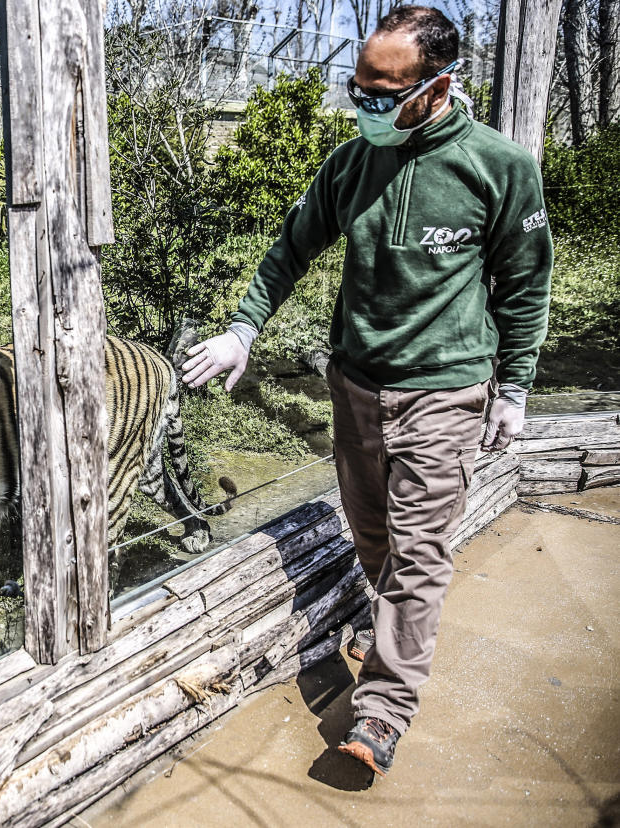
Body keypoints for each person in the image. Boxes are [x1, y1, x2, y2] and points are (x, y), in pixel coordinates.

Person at [182, 6, 553, 778]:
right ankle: (384, 625)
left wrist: (512, 389)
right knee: (374, 538)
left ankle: (382, 712)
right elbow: (292, 248)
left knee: (418, 556)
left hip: (445, 392)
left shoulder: (500, 167)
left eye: (384, 92)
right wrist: (243, 330)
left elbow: (525, 286)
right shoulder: (352, 165)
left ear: (438, 86)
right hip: (354, 387)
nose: (367, 105)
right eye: (359, 88)